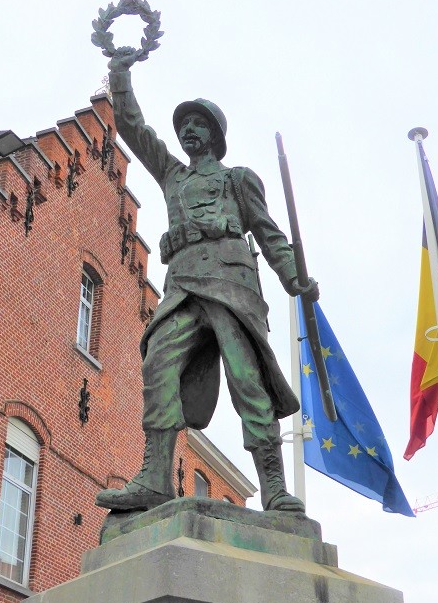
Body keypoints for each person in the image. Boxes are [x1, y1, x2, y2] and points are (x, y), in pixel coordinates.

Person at [95, 48, 318, 513]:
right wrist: (120, 74)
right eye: (183, 127)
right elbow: (134, 129)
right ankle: (155, 476)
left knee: (248, 381)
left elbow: (269, 232)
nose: (188, 132)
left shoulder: (238, 179)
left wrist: (293, 275)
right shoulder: (173, 176)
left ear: (215, 135)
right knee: (158, 365)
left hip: (231, 284)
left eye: (198, 125)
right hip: (182, 288)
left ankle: (273, 487)